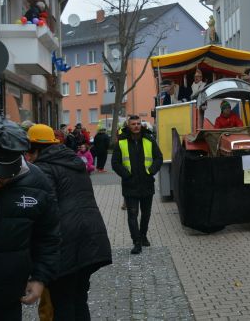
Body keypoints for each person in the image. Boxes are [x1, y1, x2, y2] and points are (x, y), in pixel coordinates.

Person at [0, 116, 60, 319]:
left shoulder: (38, 183)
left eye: (4, 175)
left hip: (6, 303)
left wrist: (40, 277)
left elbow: (48, 237)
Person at [26, 124, 112, 319]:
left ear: (35, 149)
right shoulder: (73, 161)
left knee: (62, 302)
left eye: (28, 152)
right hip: (91, 237)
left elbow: (47, 211)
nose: (27, 157)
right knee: (79, 298)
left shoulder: (43, 168)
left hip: (65, 241)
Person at [112, 115, 164, 255]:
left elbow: (159, 158)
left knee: (146, 214)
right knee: (132, 214)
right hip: (130, 185)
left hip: (147, 183)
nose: (136, 126)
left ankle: (143, 236)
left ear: (141, 125)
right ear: (128, 126)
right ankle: (136, 242)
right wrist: (126, 175)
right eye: (133, 124)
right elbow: (115, 163)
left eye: (138, 123)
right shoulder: (121, 141)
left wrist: (151, 171)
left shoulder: (149, 139)